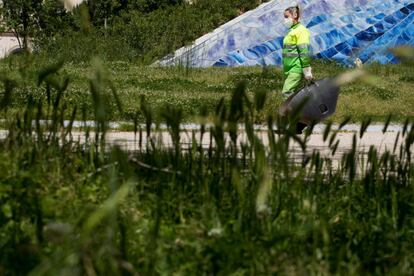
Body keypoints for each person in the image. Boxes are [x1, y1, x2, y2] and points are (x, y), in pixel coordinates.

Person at [281, 4, 313, 99]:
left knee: (287, 92)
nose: (284, 20)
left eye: (286, 17)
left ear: (294, 15)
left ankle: (288, 112)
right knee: (293, 93)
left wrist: (306, 69)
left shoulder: (301, 31)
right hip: (289, 69)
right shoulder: (291, 31)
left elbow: (303, 51)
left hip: (296, 68)